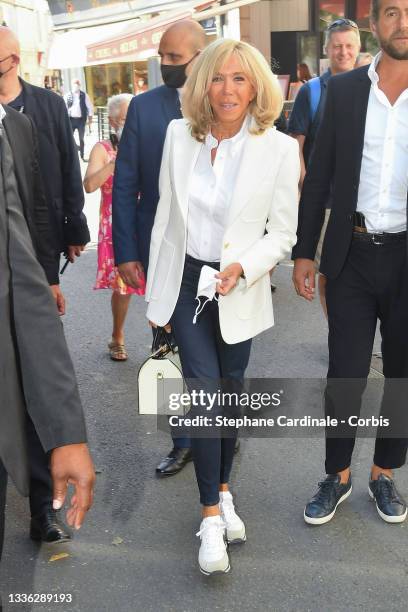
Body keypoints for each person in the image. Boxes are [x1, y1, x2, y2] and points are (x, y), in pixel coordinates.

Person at [146, 38, 300, 575]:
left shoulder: (279, 148)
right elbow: (166, 218)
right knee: (205, 393)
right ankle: (210, 516)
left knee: (229, 393)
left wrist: (246, 266)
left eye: (239, 78)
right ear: (202, 85)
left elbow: (282, 233)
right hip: (190, 282)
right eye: (217, 77)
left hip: (238, 285)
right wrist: (158, 294)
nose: (228, 89)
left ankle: (225, 489)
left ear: (255, 86)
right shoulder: (176, 136)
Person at [292, 0, 408, 526]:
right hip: (352, 253)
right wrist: (302, 252)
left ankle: (384, 473)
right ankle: (335, 476)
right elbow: (317, 178)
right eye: (391, 12)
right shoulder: (341, 91)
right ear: (375, 24)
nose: (402, 23)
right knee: (345, 375)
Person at [0, 27, 91, 543]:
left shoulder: (36, 115)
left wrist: (57, 256)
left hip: (29, 262)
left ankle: (41, 506)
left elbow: (61, 177)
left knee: (29, 385)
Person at [113, 20, 207, 476]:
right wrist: (125, 252)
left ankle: (217, 434)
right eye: (163, 57)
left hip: (213, 256)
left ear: (199, 55)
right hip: (159, 251)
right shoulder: (144, 108)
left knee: (213, 349)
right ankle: (181, 441)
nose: (165, 65)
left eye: (175, 58)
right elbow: (125, 181)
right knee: (165, 346)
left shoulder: (222, 101)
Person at [289, 19, 361, 317]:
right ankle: (338, 334)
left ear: (357, 48)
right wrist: (307, 187)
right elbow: (297, 143)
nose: (343, 52)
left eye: (348, 46)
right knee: (330, 272)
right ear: (326, 49)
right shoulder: (313, 91)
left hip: (367, 203)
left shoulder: (376, 89)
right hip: (329, 203)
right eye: (337, 46)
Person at [84, 94, 145, 361]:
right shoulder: (102, 148)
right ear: (111, 121)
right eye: (124, 119)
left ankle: (164, 337)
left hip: (146, 220)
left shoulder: (146, 143)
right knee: (123, 286)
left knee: (158, 281)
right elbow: (89, 185)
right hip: (116, 224)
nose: (129, 124)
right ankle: (117, 336)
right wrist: (113, 163)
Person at [64, 78, 93, 161]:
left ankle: (82, 155)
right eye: (75, 83)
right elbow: (64, 108)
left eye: (77, 83)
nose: (76, 85)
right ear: (72, 84)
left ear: (80, 85)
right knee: (69, 138)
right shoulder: (67, 95)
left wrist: (90, 118)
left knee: (81, 138)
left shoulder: (84, 95)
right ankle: (73, 152)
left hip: (81, 120)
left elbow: (89, 106)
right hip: (71, 120)